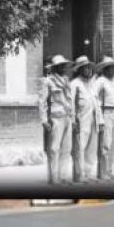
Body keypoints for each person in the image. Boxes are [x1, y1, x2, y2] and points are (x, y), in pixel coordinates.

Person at [40, 55, 74, 184]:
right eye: (61, 66)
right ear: (55, 68)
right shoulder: (48, 81)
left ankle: (63, 176)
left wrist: (73, 117)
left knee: (67, 148)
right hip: (55, 118)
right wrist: (44, 119)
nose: (64, 68)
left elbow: (70, 100)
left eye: (64, 65)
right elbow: (42, 102)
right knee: (54, 149)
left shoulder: (66, 81)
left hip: (67, 117)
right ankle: (54, 177)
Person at [70, 56, 100, 182]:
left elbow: (96, 104)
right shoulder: (74, 84)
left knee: (92, 148)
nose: (89, 70)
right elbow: (70, 104)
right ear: (80, 69)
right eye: (86, 68)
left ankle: (87, 173)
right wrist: (73, 120)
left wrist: (100, 121)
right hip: (81, 121)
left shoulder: (91, 85)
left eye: (90, 68)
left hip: (93, 120)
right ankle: (79, 174)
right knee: (79, 148)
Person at [93, 57, 114, 180]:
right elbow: (94, 98)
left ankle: (110, 170)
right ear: (105, 69)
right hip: (106, 113)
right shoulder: (100, 81)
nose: (113, 70)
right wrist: (99, 118)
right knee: (106, 143)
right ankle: (102, 172)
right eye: (110, 68)